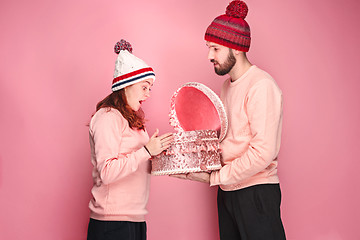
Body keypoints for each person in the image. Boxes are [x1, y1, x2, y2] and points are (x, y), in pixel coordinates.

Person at [183, 1, 287, 239]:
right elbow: (228, 140)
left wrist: (217, 177)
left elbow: (263, 152)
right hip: (228, 190)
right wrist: (192, 163)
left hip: (256, 192)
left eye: (216, 49)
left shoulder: (261, 86)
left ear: (237, 49)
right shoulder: (226, 87)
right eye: (209, 48)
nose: (210, 56)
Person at [87, 39, 174, 240]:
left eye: (150, 88)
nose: (148, 94)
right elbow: (107, 172)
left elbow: (137, 164)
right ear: (126, 85)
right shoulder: (108, 117)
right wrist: (146, 152)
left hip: (134, 219)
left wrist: (160, 154)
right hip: (112, 223)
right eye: (145, 87)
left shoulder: (132, 121)